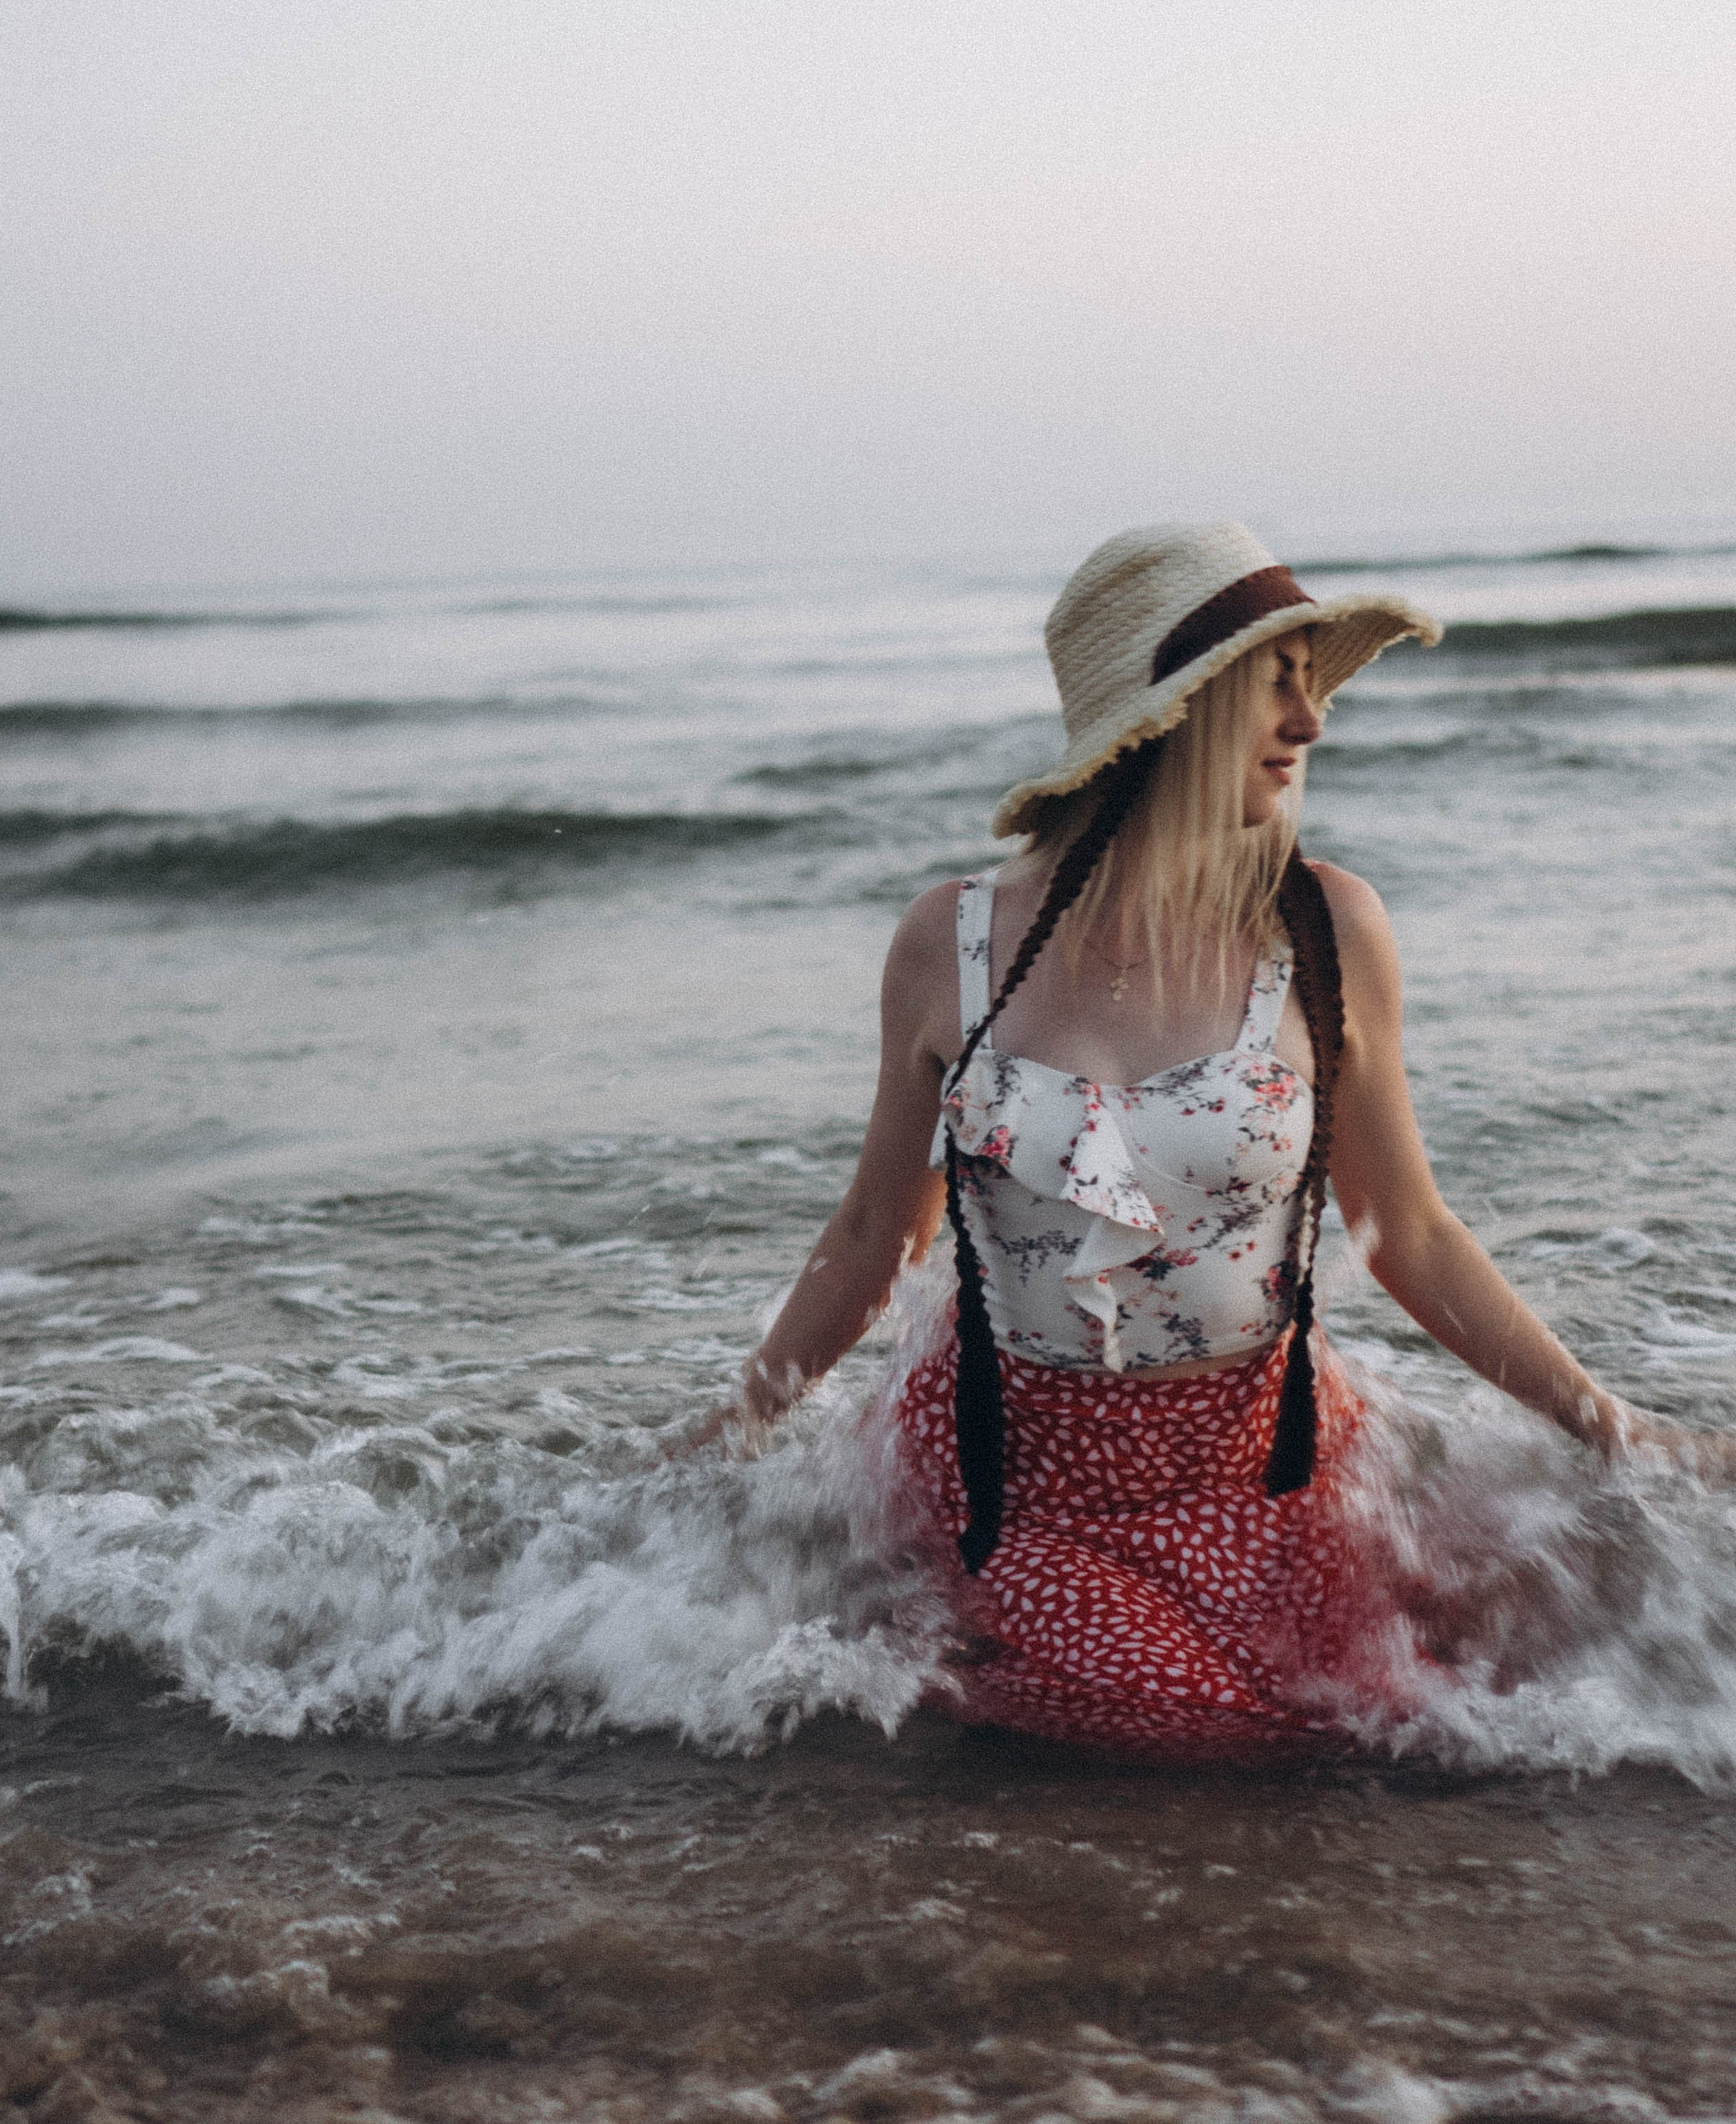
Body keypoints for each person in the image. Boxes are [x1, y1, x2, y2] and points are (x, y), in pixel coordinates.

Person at [698, 522, 1665, 1759]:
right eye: (1276, 683)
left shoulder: (1322, 929)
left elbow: (1409, 1231)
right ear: (1170, 712)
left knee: (1441, 1701)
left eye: (1311, 684)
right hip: (1015, 1481)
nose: (1310, 723)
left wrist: (1614, 1425)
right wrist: (733, 1428)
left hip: (1270, 1466)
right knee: (1193, 1729)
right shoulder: (951, 943)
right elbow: (875, 1231)